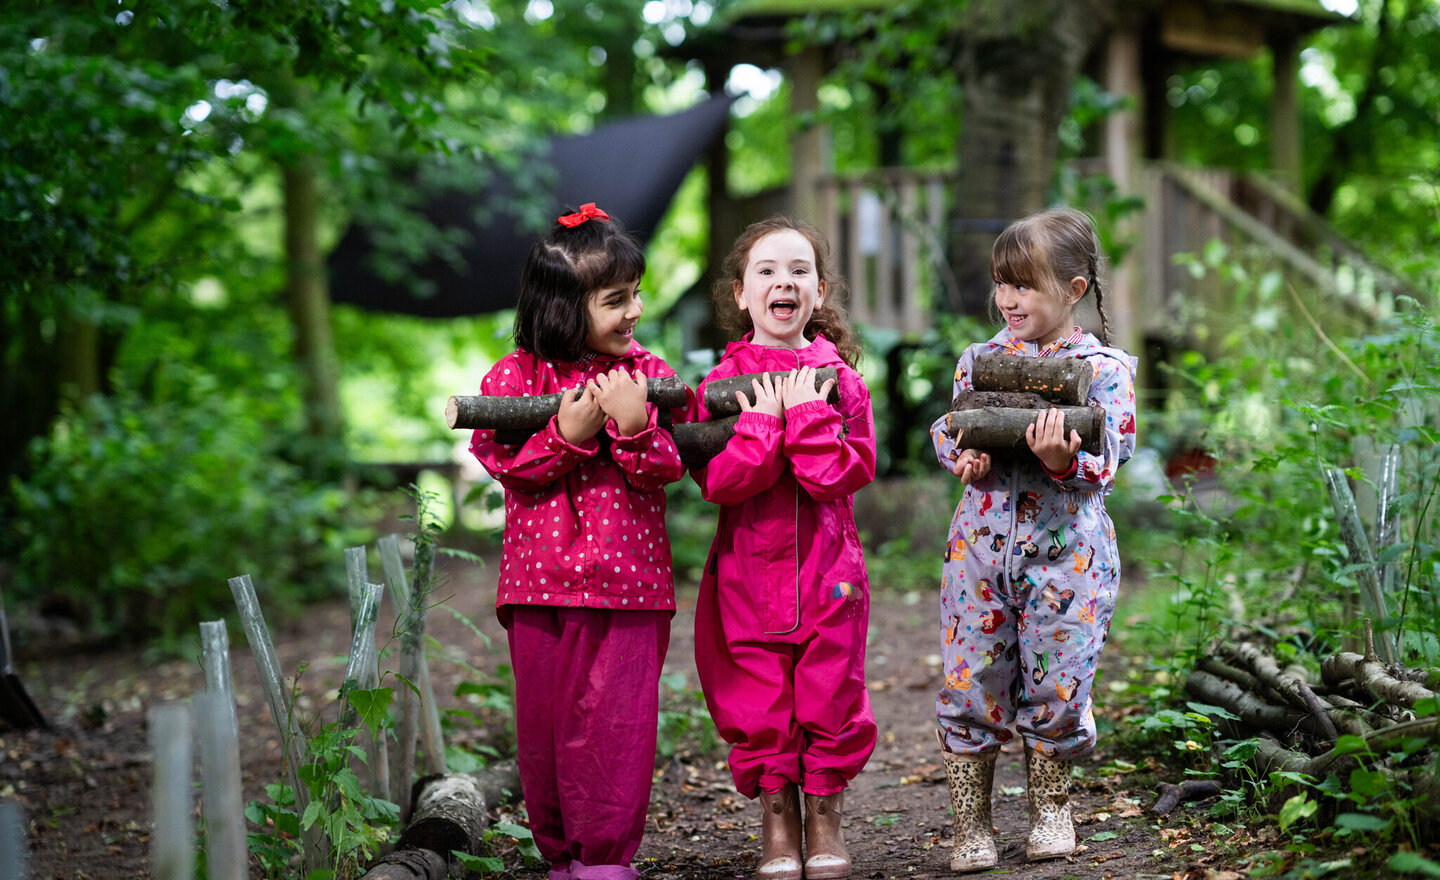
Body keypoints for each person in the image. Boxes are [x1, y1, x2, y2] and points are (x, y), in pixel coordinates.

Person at [468, 203, 687, 880]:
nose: (635, 312)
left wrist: (632, 426)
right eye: (616, 300)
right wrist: (567, 437)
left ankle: (605, 861)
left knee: (617, 728)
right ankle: (560, 855)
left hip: (631, 589)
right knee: (544, 729)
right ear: (563, 306)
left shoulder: (647, 373)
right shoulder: (514, 380)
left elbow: (666, 471)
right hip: (539, 587)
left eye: (636, 295)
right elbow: (507, 467)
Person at [928, 207, 1137, 872]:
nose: (1009, 299)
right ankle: (973, 824)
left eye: (1025, 285)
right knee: (972, 680)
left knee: (1059, 682)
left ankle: (1050, 808)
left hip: (1067, 561)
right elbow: (950, 426)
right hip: (980, 560)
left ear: (1074, 290)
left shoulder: (1102, 369)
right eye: (1002, 283)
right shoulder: (980, 361)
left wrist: (1060, 463)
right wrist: (962, 456)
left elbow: (1112, 456)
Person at [691, 215, 878, 880]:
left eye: (799, 270)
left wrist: (801, 415)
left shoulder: (841, 382)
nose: (784, 282)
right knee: (756, 691)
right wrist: (762, 426)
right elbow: (721, 481)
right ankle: (778, 821)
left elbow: (838, 475)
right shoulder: (716, 390)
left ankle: (824, 814)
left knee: (828, 688)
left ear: (820, 292)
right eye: (766, 271)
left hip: (829, 572)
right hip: (746, 570)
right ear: (740, 294)